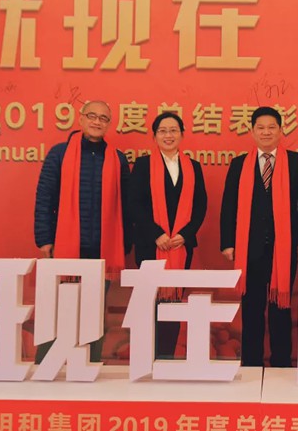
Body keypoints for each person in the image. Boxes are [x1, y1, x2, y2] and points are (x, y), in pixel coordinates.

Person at [34, 100, 131, 363]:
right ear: (81, 119)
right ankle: (46, 367)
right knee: (58, 312)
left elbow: (126, 205)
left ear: (109, 124)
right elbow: (45, 198)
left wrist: (125, 243)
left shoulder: (118, 159)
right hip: (65, 247)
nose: (97, 122)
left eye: (103, 118)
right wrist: (44, 238)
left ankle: (89, 365)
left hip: (102, 250)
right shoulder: (59, 154)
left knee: (93, 314)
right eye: (92, 116)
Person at [219, 106, 298, 367]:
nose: (266, 132)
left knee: (280, 307)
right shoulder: (240, 164)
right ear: (252, 132)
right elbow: (229, 206)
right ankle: (251, 362)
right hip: (248, 248)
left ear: (281, 130)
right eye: (260, 128)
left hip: (284, 248)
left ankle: (281, 362)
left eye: (271, 127)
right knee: (251, 307)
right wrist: (227, 242)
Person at [129, 112, 207, 358]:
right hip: (150, 246)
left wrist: (185, 234)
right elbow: (134, 204)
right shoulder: (143, 165)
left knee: (173, 304)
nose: (168, 135)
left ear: (182, 134)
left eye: (173, 130)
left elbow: (200, 205)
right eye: (162, 131)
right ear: (154, 136)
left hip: (180, 246)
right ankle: (146, 359)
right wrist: (156, 234)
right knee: (150, 305)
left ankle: (166, 358)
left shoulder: (193, 167)